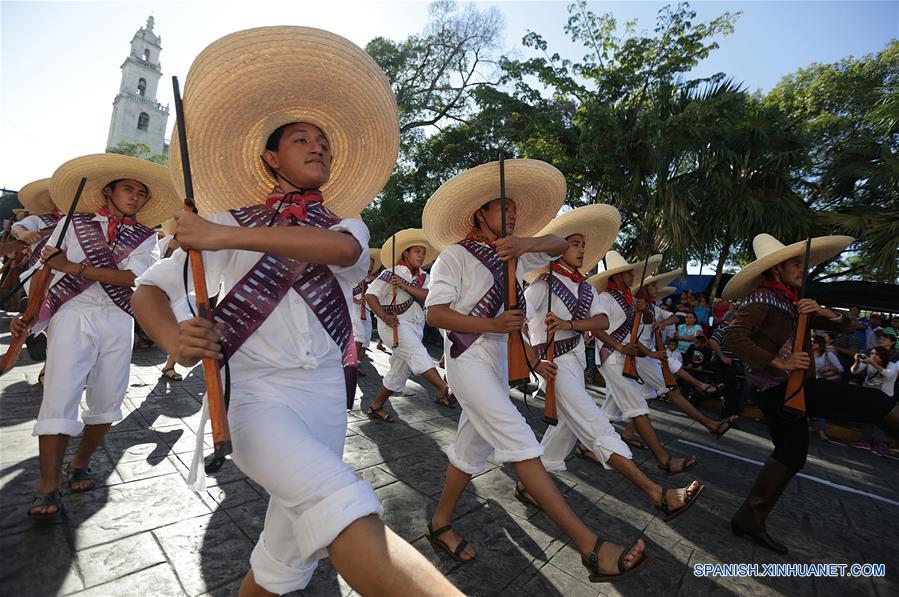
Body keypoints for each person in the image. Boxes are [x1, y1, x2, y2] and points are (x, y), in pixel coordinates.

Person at [131, 27, 459, 597]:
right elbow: (147, 291)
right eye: (302, 139)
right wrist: (171, 337)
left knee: (287, 551)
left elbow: (342, 253)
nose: (318, 148)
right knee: (340, 501)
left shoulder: (343, 222)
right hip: (254, 395)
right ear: (270, 157)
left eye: (325, 144)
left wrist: (217, 234)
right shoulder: (228, 222)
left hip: (328, 393)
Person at [422, 159, 650, 581]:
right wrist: (491, 324)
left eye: (513, 209)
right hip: (467, 357)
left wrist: (522, 245)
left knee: (470, 449)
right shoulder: (454, 257)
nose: (509, 214)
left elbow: (560, 243)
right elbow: (435, 314)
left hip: (496, 359)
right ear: (480, 215)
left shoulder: (519, 256)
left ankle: (439, 522)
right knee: (521, 440)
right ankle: (590, 546)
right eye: (501, 209)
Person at [12, 154, 178, 520]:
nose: (135, 197)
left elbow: (137, 279)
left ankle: (81, 461)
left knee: (109, 395)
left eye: (140, 193)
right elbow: (44, 270)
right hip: (73, 312)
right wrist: (28, 313)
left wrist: (75, 267)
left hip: (119, 317)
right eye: (127, 189)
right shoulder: (74, 223)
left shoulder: (146, 237)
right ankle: (47, 484)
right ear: (108, 192)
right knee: (59, 394)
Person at [522, 206, 704, 520]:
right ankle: (655, 493)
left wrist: (570, 325)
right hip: (553, 365)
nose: (581, 249)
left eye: (582, 244)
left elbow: (602, 320)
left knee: (565, 429)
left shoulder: (584, 288)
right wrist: (534, 364)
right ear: (558, 247)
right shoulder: (542, 286)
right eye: (574, 243)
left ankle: (529, 487)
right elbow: (515, 325)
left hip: (576, 362)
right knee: (597, 426)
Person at [723, 233, 899, 554]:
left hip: (788, 390)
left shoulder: (793, 300)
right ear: (776, 269)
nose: (801, 269)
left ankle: (749, 518)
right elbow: (733, 336)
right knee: (873, 401)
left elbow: (847, 326)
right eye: (795, 264)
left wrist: (824, 312)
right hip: (778, 387)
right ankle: (750, 517)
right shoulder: (762, 297)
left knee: (791, 453)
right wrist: (780, 360)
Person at [588, 251, 701, 476]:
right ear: (617, 276)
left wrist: (642, 311)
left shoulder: (630, 300)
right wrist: (619, 346)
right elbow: (596, 328)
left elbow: (649, 322)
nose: (632, 275)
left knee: (609, 411)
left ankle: (585, 445)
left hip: (627, 358)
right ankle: (663, 459)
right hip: (612, 358)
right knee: (637, 408)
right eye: (628, 272)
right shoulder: (606, 299)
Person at [616, 270, 737, 448]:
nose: (657, 288)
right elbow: (629, 338)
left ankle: (627, 433)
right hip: (639, 358)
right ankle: (710, 424)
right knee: (672, 390)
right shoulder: (633, 306)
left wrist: (661, 323)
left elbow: (673, 318)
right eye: (653, 285)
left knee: (643, 399)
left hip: (645, 357)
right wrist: (651, 353)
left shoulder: (652, 308)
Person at [365, 229, 451, 420]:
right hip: (393, 326)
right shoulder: (390, 273)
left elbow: (429, 296)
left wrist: (404, 286)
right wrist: (383, 317)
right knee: (417, 352)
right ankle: (444, 389)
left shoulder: (426, 278)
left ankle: (376, 406)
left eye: (423, 252)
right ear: (405, 253)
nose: (421, 255)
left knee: (399, 371)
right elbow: (370, 296)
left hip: (415, 327)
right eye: (416, 251)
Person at [850, 346, 898, 457]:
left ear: (883, 356)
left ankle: (879, 446)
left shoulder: (892, 365)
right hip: (870, 396)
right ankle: (864, 441)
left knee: (880, 423)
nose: (873, 356)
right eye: (871, 353)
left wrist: (872, 363)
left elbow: (888, 374)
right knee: (867, 419)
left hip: (884, 397)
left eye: (876, 354)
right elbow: (853, 371)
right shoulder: (868, 362)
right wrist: (857, 362)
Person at [350, 248, 380, 376]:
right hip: (355, 310)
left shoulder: (373, 279)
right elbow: (346, 290)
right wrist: (356, 301)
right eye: (368, 263)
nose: (371, 265)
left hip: (367, 311)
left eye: (372, 264)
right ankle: (351, 365)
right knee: (360, 336)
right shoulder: (355, 275)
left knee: (366, 339)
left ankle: (357, 364)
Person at [809, 335, 843, 441]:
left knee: (820, 407)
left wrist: (828, 368)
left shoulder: (828, 354)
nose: (812, 343)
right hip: (810, 381)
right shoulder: (807, 352)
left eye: (814, 342)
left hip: (822, 382)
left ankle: (821, 431)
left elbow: (840, 368)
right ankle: (809, 426)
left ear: (820, 344)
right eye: (811, 341)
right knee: (807, 404)